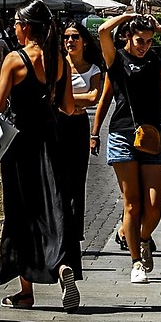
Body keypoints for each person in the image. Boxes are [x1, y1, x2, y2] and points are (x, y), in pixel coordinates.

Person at [0, 0, 81, 311]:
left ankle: (26, 291)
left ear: (25, 27)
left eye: (16, 24)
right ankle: (61, 266)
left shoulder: (15, 60)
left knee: (21, 212)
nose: (15, 29)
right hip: (51, 138)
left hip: (20, 145)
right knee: (53, 205)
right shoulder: (59, 59)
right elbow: (68, 107)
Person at [98, 11, 161, 284]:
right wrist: (127, 14)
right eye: (140, 40)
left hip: (152, 135)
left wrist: (160, 28)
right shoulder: (116, 59)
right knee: (133, 204)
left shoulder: (154, 59)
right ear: (127, 38)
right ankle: (136, 262)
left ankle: (142, 238)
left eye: (148, 41)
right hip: (122, 135)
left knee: (154, 206)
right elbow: (103, 32)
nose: (144, 46)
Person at [57, 19, 103, 259]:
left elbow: (94, 97)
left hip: (77, 125)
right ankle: (58, 228)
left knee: (77, 179)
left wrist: (66, 100)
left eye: (75, 36)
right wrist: (76, 99)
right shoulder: (58, 65)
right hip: (57, 125)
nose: (70, 41)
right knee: (57, 177)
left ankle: (74, 231)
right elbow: (52, 94)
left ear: (84, 41)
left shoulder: (92, 68)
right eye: (66, 37)